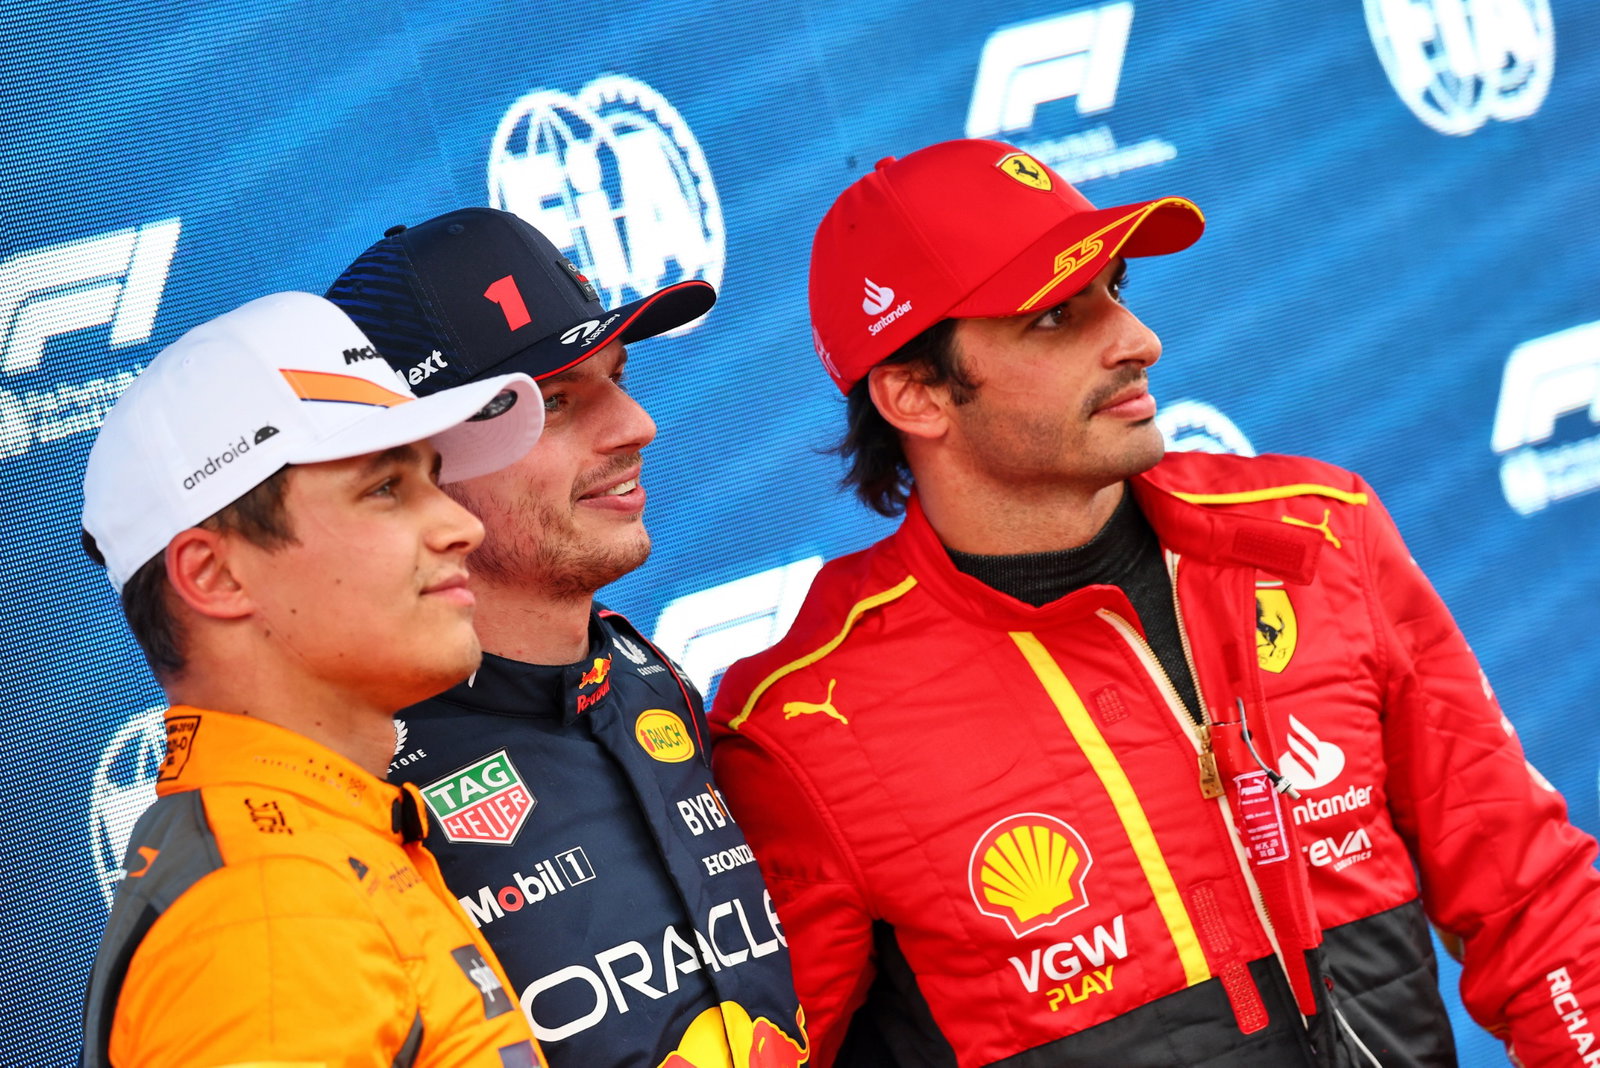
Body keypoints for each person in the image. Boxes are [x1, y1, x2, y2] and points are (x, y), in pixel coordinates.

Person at [709, 139, 1600, 1067]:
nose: (1137, 342)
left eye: (1116, 291)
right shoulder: (807, 724)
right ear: (915, 394)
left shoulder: (1316, 534)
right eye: (1055, 316)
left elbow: (1533, 899)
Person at [326, 208, 809, 1068]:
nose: (635, 427)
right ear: (409, 464)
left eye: (618, 377)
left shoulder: (643, 675)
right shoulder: (352, 777)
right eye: (553, 403)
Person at [78, 292, 547, 1066]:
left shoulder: (313, 848)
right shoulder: (266, 916)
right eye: (385, 488)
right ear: (216, 575)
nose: (464, 524)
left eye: (432, 477)